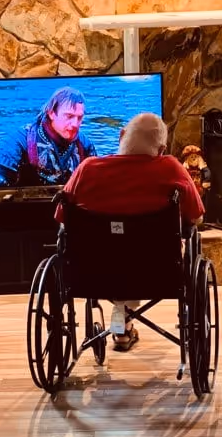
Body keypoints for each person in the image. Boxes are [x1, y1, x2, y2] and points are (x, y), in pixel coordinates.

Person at [58, 112, 204, 351]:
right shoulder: (170, 168)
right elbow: (197, 217)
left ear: (121, 135)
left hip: (92, 273)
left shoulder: (87, 168)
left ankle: (122, 322)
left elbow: (62, 219)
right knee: (140, 251)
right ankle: (123, 321)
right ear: (161, 149)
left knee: (115, 250)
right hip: (157, 272)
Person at [0, 85, 96, 188]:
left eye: (79, 118)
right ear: (51, 113)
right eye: (69, 116)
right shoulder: (17, 143)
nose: (75, 124)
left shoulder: (85, 145)